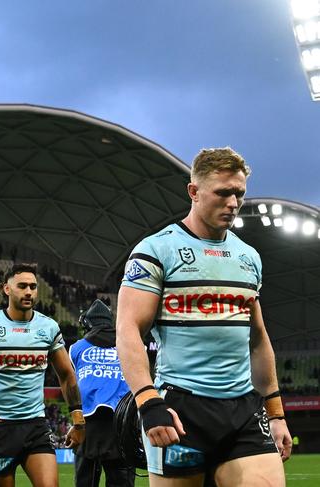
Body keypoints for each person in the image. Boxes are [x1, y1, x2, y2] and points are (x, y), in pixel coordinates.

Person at [116, 147, 292, 487]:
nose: (233, 203)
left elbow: (257, 340)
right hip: (181, 409)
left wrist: (276, 413)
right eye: (223, 193)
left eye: (239, 193)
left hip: (243, 409)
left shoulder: (248, 257)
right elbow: (128, 331)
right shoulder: (156, 250)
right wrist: (148, 400)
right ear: (194, 192)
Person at [0, 263, 85, 487]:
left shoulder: (48, 327)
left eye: (33, 286)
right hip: (0, 427)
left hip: (36, 425)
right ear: (6, 289)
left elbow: (67, 375)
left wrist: (78, 421)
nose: (28, 291)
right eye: (22, 286)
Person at [70, 299, 134, 487]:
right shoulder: (128, 345)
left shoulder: (76, 348)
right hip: (121, 425)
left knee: (85, 482)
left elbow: (72, 384)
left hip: (87, 424)